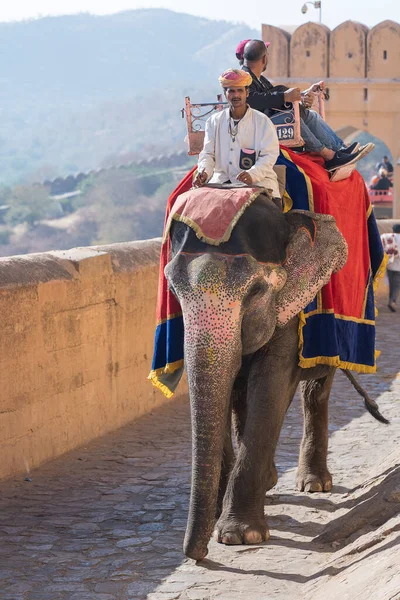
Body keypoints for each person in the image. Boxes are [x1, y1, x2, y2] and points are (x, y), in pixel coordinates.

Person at [237, 39, 374, 173]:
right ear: (264, 58)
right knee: (292, 119)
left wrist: (303, 95)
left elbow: (271, 96)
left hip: (269, 119)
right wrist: (285, 96)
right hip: (259, 125)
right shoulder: (243, 77)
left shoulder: (259, 78)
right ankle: (328, 155)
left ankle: (339, 150)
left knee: (311, 115)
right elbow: (252, 99)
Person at [193, 68, 281, 204]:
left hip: (258, 183)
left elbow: (269, 155)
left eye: (240, 90)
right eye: (231, 91)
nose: (236, 95)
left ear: (247, 92)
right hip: (221, 183)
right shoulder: (214, 121)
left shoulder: (262, 121)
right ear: (225, 93)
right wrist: (204, 172)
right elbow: (208, 154)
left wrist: (253, 174)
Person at [381, 224, 400, 312]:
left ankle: (391, 300)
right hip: (398, 267)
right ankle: (392, 301)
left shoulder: (389, 237)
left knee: (392, 285)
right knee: (396, 286)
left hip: (389, 265)